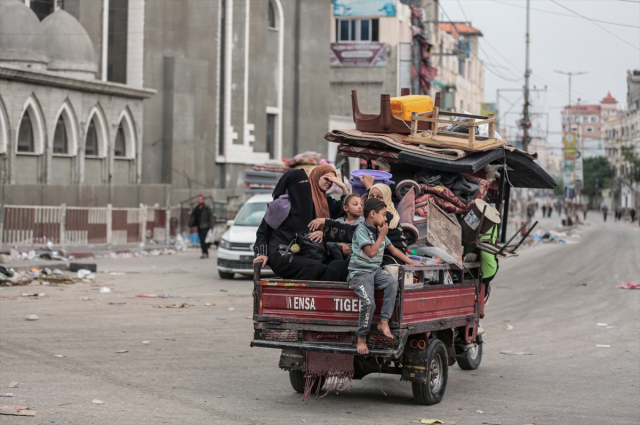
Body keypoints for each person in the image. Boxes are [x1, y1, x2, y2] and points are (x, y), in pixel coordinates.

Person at [348, 198, 422, 355]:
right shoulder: (362, 230)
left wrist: (411, 263)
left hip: (374, 270)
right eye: (383, 215)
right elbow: (371, 252)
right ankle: (361, 338)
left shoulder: (379, 230)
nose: (385, 218)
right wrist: (382, 235)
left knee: (392, 283)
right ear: (373, 214)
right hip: (359, 273)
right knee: (369, 304)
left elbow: (394, 250)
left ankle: (383, 322)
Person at [253, 165, 349, 281]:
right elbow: (263, 232)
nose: (303, 187)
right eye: (300, 184)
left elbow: (343, 213)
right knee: (317, 268)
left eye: (305, 184)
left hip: (303, 253)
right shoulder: (279, 206)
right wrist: (261, 253)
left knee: (335, 266)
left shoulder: (307, 205)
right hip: (281, 254)